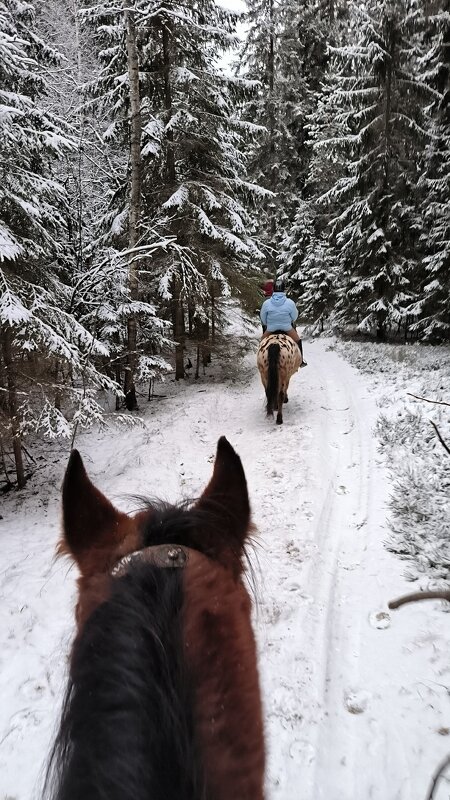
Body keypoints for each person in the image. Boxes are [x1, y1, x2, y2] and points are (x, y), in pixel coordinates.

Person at [260, 279, 307, 366]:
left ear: (274, 289)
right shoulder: (290, 302)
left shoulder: (266, 303)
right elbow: (294, 317)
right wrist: (290, 321)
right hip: (287, 328)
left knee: (262, 341)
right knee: (297, 340)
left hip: (271, 328)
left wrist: (268, 324)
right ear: (283, 289)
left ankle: (261, 360)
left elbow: (263, 318)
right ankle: (300, 361)